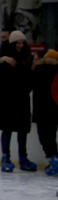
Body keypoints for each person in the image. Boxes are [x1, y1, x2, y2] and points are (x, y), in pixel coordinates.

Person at [0, 29, 37, 173]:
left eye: (23, 43)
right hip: (6, 98)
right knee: (7, 129)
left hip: (21, 98)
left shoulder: (26, 57)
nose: (20, 46)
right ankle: (5, 157)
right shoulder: (3, 53)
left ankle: (23, 158)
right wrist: (2, 59)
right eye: (18, 43)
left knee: (22, 129)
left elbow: (30, 77)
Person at [35, 49, 58, 177]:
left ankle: (53, 158)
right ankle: (55, 158)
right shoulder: (56, 71)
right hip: (54, 108)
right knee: (52, 135)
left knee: (44, 136)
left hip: (41, 108)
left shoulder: (38, 69)